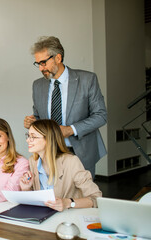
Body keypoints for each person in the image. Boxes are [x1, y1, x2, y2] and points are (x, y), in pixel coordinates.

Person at [24, 36, 107, 178]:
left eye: (43, 62)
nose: (40, 68)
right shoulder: (38, 85)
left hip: (81, 151)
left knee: (83, 196)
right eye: (37, 63)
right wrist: (33, 122)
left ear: (58, 58)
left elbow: (101, 116)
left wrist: (70, 130)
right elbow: (39, 116)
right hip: (49, 151)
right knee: (54, 198)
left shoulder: (87, 80)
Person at [20, 119, 102, 211]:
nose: (28, 140)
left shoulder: (71, 161)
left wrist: (68, 202)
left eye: (33, 137)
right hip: (42, 217)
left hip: (67, 219)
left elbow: (96, 198)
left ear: (49, 139)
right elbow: (37, 201)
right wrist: (26, 189)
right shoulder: (33, 161)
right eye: (28, 136)